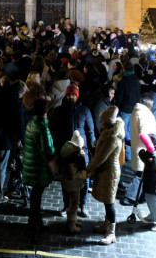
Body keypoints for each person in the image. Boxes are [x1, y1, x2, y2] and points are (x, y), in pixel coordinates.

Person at [49, 83, 95, 218]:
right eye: (69, 94)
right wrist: (56, 148)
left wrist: (92, 149)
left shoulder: (85, 111)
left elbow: (90, 131)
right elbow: (52, 130)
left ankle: (82, 205)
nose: (70, 97)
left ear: (77, 96)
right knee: (66, 177)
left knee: (84, 179)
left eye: (73, 95)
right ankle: (67, 204)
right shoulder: (58, 111)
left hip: (81, 151)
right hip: (65, 150)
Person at [86, 105, 125, 245]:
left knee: (109, 202)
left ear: (107, 122)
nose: (100, 123)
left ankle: (111, 233)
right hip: (106, 171)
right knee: (106, 201)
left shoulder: (111, 137)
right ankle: (106, 224)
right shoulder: (108, 133)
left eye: (102, 120)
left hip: (110, 172)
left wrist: (89, 168)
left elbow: (100, 157)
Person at [21, 93, 55, 236]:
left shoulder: (31, 123)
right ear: (45, 110)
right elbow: (48, 149)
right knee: (36, 196)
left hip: (30, 163)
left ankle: (35, 222)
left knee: (35, 196)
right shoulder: (42, 126)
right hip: (39, 166)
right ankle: (34, 223)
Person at [122, 94, 156, 206]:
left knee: (143, 173)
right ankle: (130, 197)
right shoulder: (145, 114)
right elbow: (144, 133)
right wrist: (151, 147)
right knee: (140, 174)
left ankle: (141, 196)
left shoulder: (136, 111)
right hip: (143, 148)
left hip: (138, 146)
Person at [59, 131, 87, 234]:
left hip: (68, 182)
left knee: (72, 202)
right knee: (75, 203)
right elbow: (77, 173)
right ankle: (71, 225)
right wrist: (85, 173)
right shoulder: (75, 158)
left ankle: (72, 220)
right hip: (74, 184)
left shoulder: (67, 153)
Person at [137, 133, 156, 231]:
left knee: (154, 202)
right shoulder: (153, 151)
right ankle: (153, 215)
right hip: (150, 181)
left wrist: (142, 154)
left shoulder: (155, 154)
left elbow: (151, 165)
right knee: (149, 199)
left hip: (154, 182)